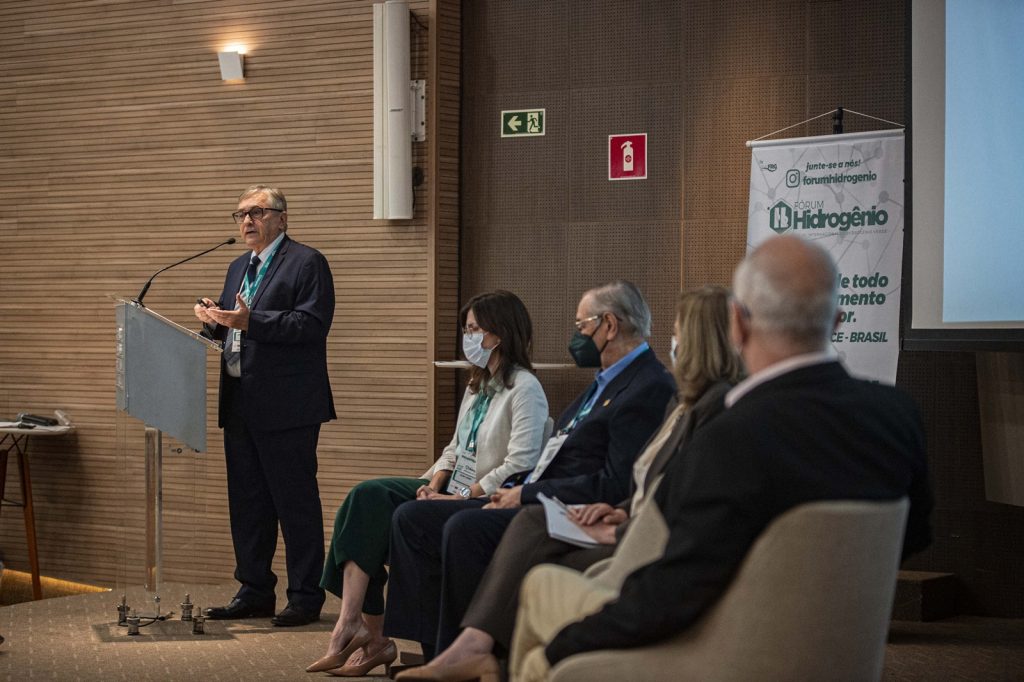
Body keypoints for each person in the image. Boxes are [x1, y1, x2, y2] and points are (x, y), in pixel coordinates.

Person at [506, 235, 933, 681]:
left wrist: (564, 649)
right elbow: (914, 534)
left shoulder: (728, 437)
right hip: (842, 656)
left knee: (543, 638)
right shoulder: (898, 416)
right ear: (839, 322)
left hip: (729, 655)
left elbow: (670, 596)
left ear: (739, 326)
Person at [395, 286, 743, 680]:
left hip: (567, 505)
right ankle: (437, 653)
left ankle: (466, 654)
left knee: (465, 528)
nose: (575, 335)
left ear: (608, 325)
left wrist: (524, 493)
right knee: (414, 517)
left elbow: (621, 480)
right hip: (547, 494)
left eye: (581, 325)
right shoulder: (602, 384)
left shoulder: (650, 388)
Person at [305, 290, 550, 676]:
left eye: (473, 330)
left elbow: (521, 463)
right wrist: (434, 484)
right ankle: (355, 623)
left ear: (498, 335)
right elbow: (454, 450)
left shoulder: (524, 389)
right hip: (452, 487)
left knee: (409, 515)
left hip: (488, 495)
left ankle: (397, 641)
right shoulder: (477, 386)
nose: (467, 338)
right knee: (366, 497)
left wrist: (457, 497)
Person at [194, 185, 335, 627]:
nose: (246, 221)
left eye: (256, 212)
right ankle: (254, 590)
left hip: (288, 406)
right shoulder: (238, 266)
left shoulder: (307, 262)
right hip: (240, 401)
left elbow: (311, 324)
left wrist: (250, 321)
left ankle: (305, 596)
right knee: (248, 504)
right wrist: (214, 321)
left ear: (282, 218)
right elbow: (235, 331)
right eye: (239, 214)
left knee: (294, 503)